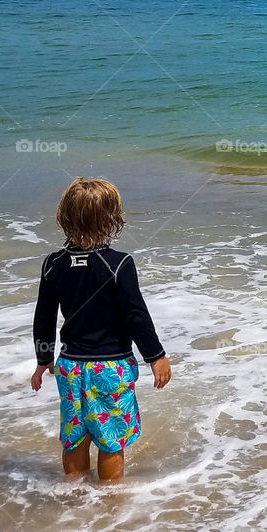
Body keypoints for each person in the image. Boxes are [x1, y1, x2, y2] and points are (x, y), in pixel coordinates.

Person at [30, 177, 171, 482]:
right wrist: (156, 355)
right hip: (110, 368)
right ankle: (108, 509)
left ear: (64, 218)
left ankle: (75, 498)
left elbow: (43, 317)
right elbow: (136, 315)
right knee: (110, 441)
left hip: (70, 367)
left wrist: (44, 361)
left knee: (75, 436)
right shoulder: (119, 264)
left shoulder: (52, 264)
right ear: (112, 220)